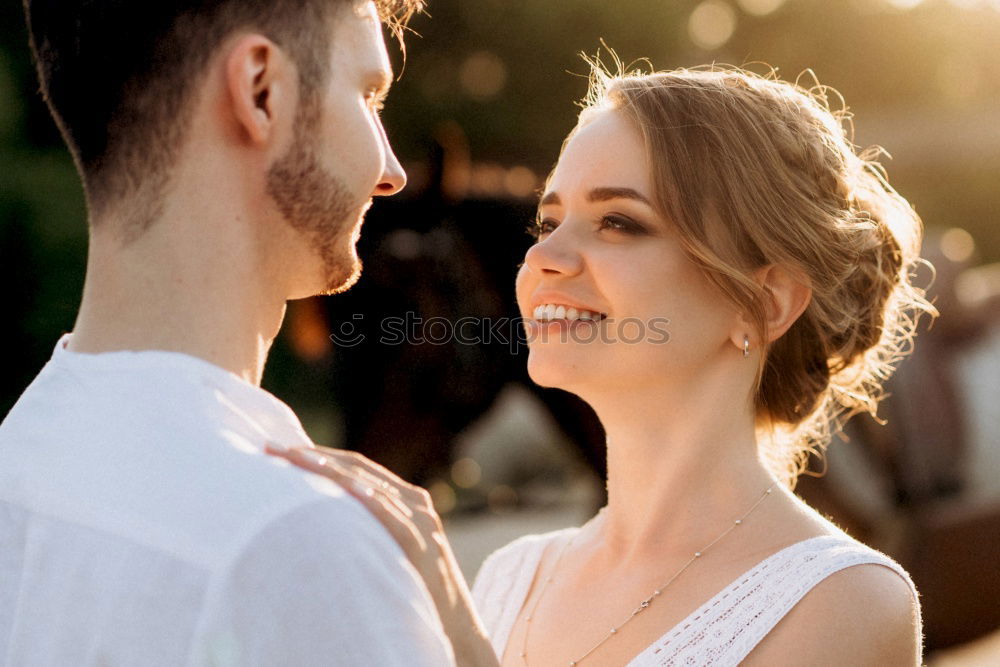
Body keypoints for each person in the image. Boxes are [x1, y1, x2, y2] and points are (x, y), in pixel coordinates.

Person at [273, 62, 937, 665]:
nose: (542, 260)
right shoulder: (511, 575)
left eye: (619, 222)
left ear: (765, 302)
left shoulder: (842, 602)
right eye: (549, 222)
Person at [0, 1, 488, 664]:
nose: (392, 170)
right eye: (369, 95)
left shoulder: (23, 456)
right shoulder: (302, 544)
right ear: (261, 90)